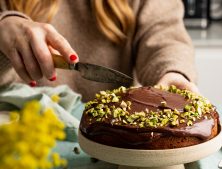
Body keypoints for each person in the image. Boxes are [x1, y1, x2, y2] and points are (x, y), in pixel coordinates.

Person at [0, 0, 198, 101]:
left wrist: (172, 73)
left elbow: (165, 36)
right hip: (18, 138)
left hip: (110, 144)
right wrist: (4, 27)